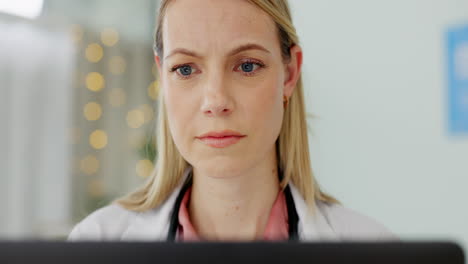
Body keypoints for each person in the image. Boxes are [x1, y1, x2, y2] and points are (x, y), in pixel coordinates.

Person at [68, 0, 394, 242]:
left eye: (247, 66)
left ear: (290, 73)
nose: (216, 102)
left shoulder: (374, 249)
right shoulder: (95, 242)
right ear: (163, 79)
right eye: (185, 69)